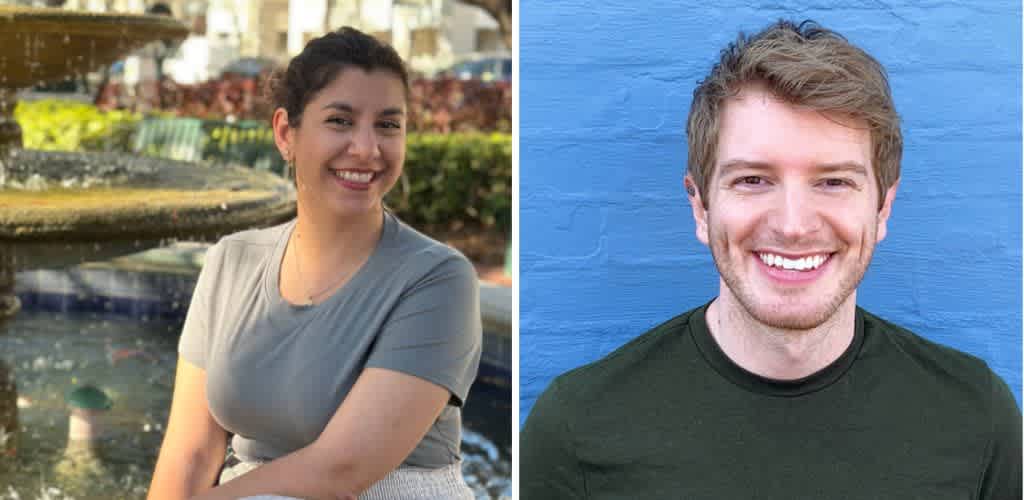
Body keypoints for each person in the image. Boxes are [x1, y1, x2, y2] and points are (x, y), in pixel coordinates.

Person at [520, 19, 1022, 499]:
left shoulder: (977, 419)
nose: (793, 224)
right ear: (700, 206)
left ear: (883, 207)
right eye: (753, 180)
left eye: (833, 181)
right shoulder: (576, 430)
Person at [148, 27, 482, 499]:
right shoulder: (232, 261)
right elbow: (190, 452)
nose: (367, 148)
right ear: (286, 133)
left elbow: (340, 470)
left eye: (388, 125)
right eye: (341, 121)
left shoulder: (437, 279)